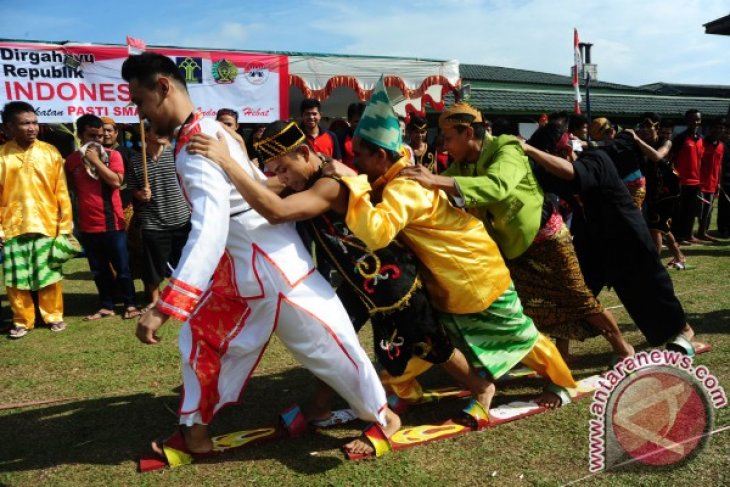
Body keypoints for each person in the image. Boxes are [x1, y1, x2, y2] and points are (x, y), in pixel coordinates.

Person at [122, 52, 399, 458]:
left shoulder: (200, 143)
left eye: (140, 102)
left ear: (163, 87)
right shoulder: (210, 131)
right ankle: (195, 432)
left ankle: (383, 417)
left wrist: (167, 305)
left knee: (329, 346)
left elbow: (211, 228)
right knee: (203, 341)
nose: (140, 114)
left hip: (276, 270)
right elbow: (253, 190)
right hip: (242, 272)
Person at [187, 119, 492, 418]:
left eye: (283, 169)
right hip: (355, 283)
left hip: (391, 281)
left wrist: (227, 161)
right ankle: (320, 405)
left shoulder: (328, 184)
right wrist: (237, 147)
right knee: (333, 339)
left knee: (432, 344)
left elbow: (276, 211)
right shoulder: (304, 177)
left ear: (304, 154)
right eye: (275, 170)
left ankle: (480, 387)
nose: (281, 178)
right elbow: (262, 186)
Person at [326, 80, 577, 438]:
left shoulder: (405, 186)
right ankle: (408, 389)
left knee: (517, 334)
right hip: (449, 277)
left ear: (381, 157)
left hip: (475, 272)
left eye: (360, 157)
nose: (356, 164)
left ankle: (560, 380)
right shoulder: (402, 176)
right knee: (432, 337)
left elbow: (377, 231)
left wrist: (355, 186)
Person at [400, 102, 633, 363]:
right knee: (538, 306)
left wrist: (434, 180)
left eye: (449, 138)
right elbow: (439, 189)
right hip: (510, 247)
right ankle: (558, 358)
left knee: (577, 298)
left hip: (545, 236)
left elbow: (497, 186)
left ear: (467, 133)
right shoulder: (462, 164)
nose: (444, 146)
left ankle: (623, 348)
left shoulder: (505, 148)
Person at [523, 122, 701, 354]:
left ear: (564, 151)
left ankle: (685, 331)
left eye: (548, 158)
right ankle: (562, 352)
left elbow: (574, 174)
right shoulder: (553, 174)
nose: (545, 167)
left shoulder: (596, 160)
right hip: (592, 240)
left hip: (627, 236)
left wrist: (529, 150)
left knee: (650, 289)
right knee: (575, 292)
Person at [0, 101, 75, 338]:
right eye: (25, 123)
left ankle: (53, 316)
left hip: (47, 223)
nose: (32, 128)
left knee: (49, 275)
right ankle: (22, 320)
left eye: (34, 122)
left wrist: (64, 226)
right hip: (13, 226)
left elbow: (61, 191)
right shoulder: (2, 156)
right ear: (9, 127)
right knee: (16, 278)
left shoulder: (50, 152)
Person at [65, 114, 141, 320]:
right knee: (99, 271)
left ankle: (130, 304)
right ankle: (106, 304)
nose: (97, 140)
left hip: (112, 223)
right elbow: (70, 188)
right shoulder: (71, 161)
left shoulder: (112, 156)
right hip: (87, 226)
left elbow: (116, 182)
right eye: (91, 136)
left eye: (99, 136)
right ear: (80, 135)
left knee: (123, 269)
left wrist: (96, 161)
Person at [127, 123, 191, 308]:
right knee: (153, 265)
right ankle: (155, 300)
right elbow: (132, 188)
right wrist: (141, 194)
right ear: (145, 133)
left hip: (181, 218)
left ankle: (184, 297)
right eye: (158, 130)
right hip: (153, 222)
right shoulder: (136, 161)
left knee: (185, 262)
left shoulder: (177, 154)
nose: (164, 134)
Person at [630, 113, 685, 268]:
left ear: (657, 128)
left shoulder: (666, 142)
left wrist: (637, 139)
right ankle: (679, 256)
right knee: (662, 228)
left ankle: (652, 265)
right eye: (643, 127)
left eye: (649, 127)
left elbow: (656, 156)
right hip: (650, 189)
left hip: (668, 191)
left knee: (655, 228)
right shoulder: (639, 143)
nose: (645, 130)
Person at [672, 109, 704, 245]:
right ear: (687, 121)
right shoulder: (680, 138)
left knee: (691, 210)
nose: (695, 122)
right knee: (680, 210)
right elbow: (672, 159)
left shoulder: (701, 138)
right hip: (682, 181)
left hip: (695, 181)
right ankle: (678, 237)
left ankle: (688, 235)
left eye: (697, 119)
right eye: (692, 119)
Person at [696, 117, 725, 241]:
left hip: (712, 184)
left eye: (720, 128)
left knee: (708, 210)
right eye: (715, 128)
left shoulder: (721, 146)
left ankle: (703, 232)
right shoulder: (701, 143)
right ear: (709, 129)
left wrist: (719, 182)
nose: (717, 130)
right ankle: (687, 233)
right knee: (698, 209)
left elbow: (720, 165)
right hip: (699, 182)